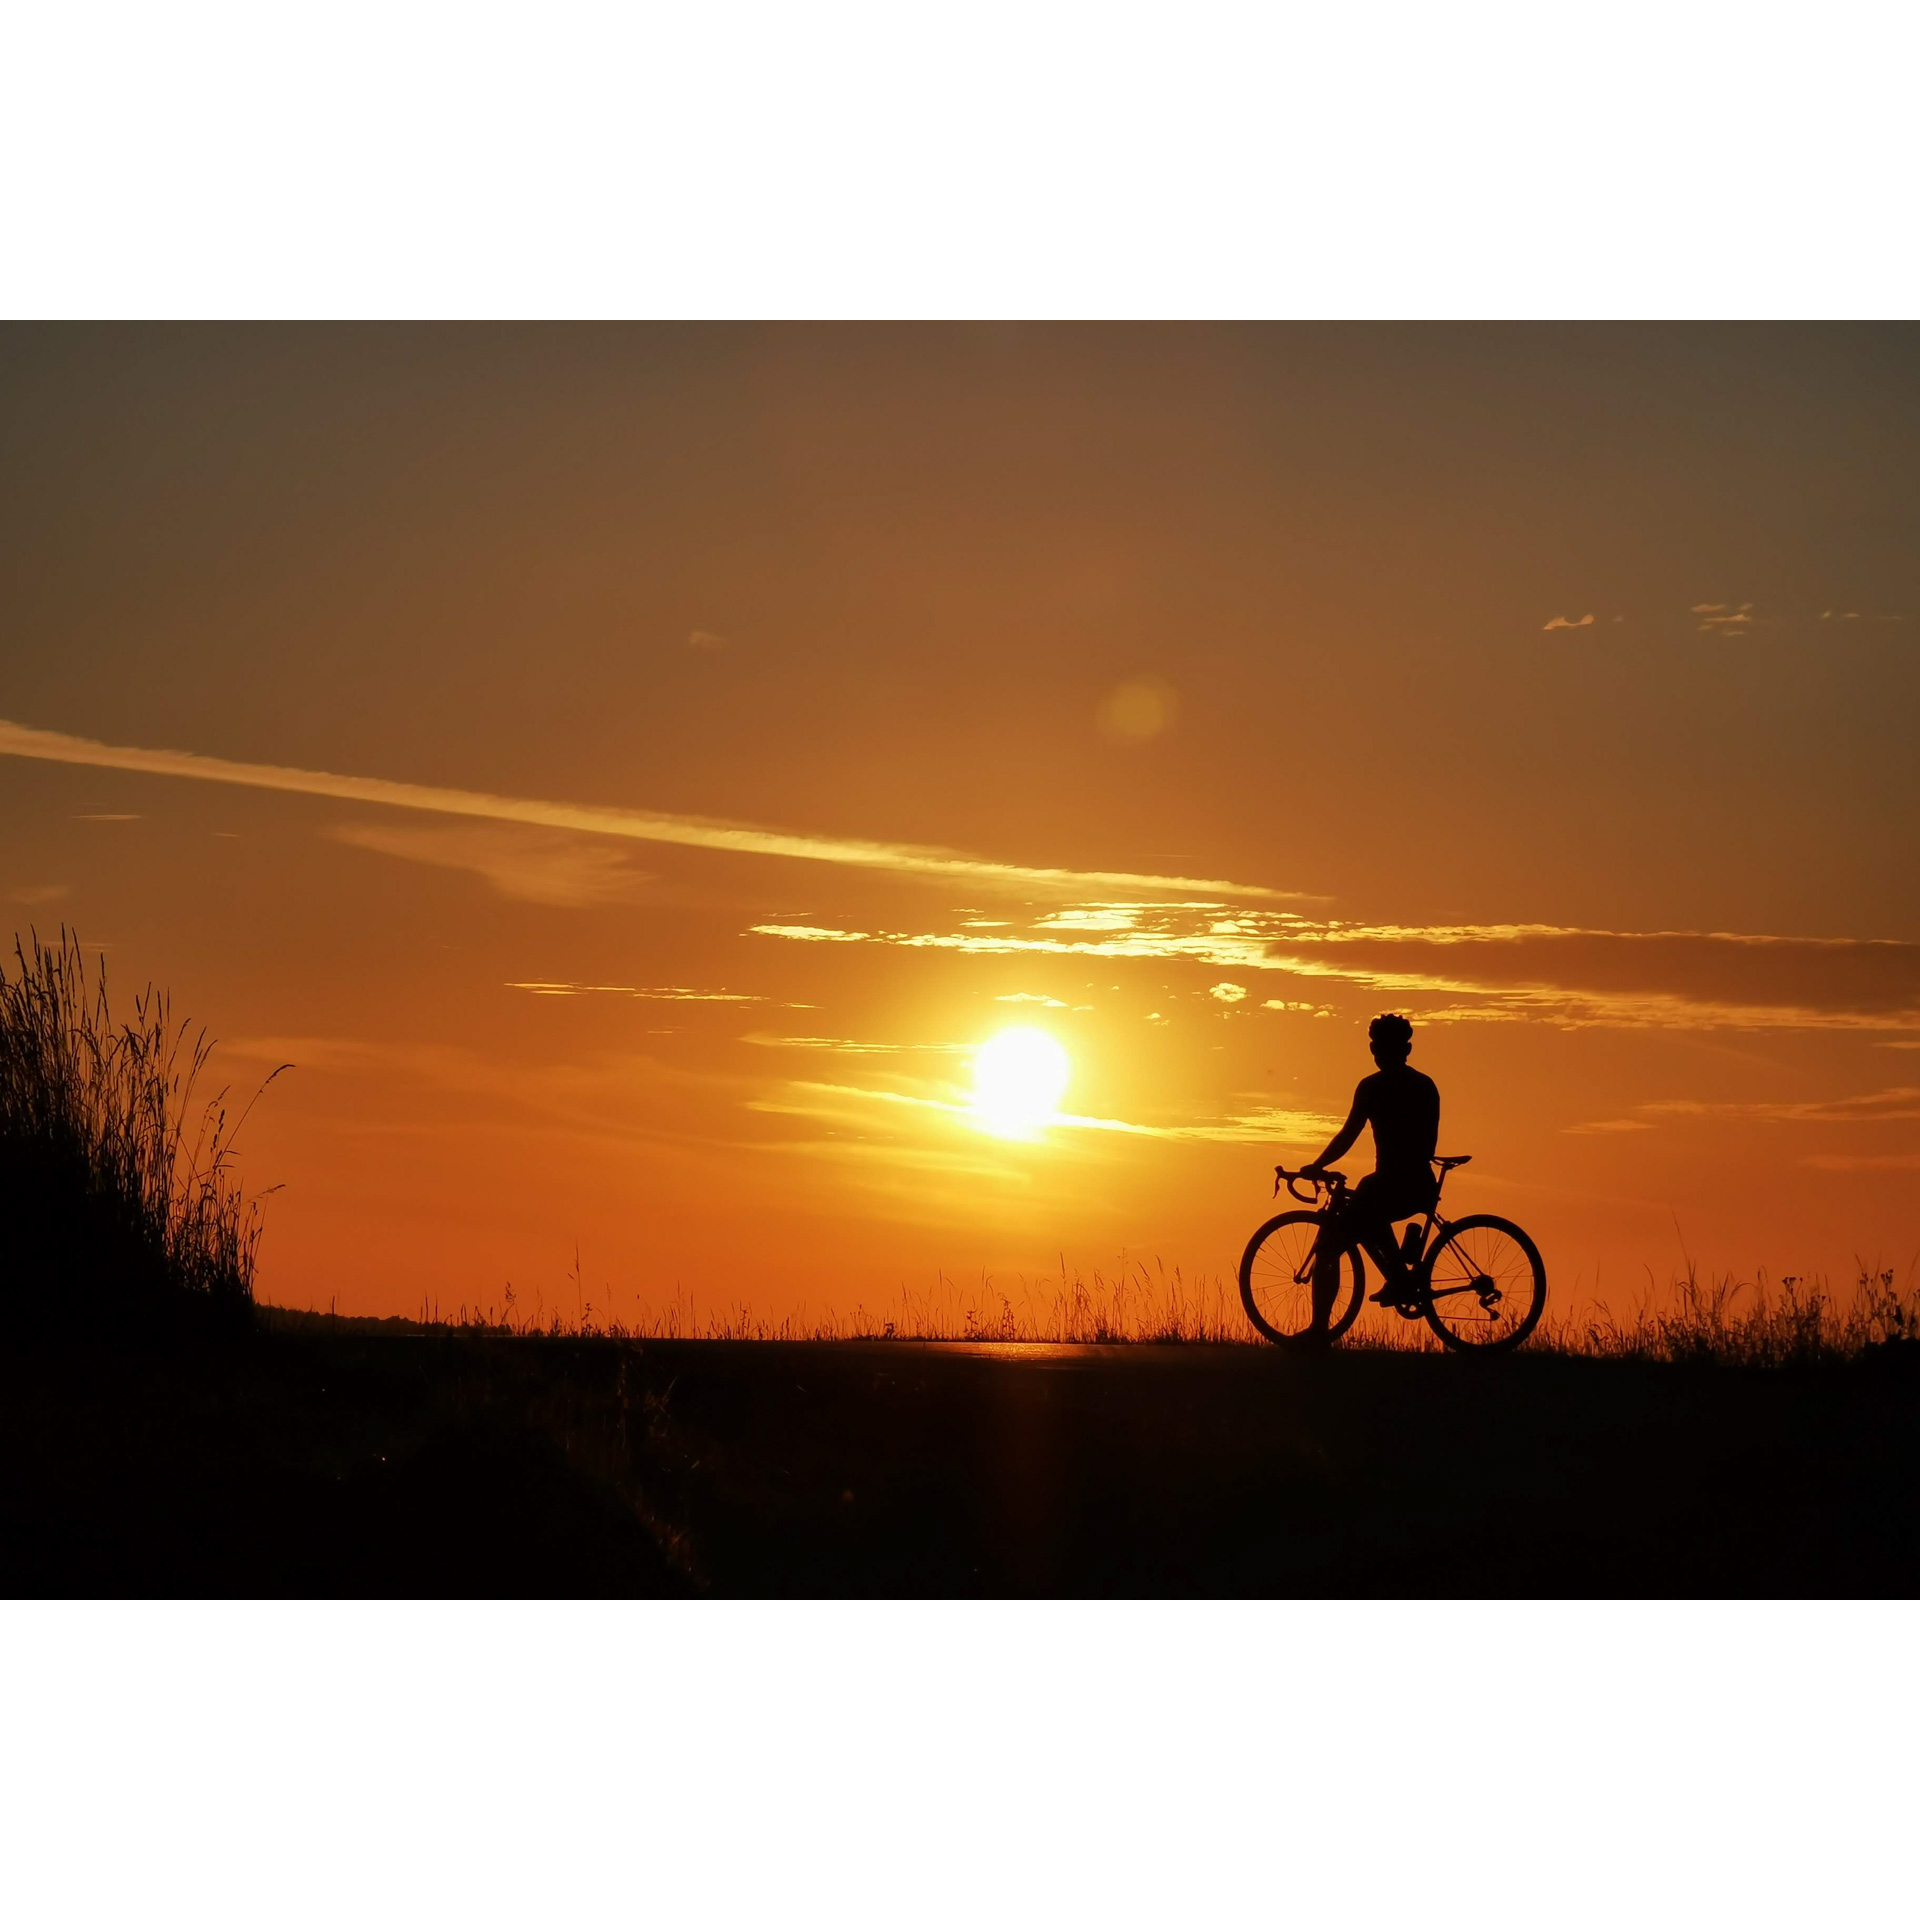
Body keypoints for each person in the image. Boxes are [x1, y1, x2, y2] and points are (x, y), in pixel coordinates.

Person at [1302, 1012, 1439, 1309]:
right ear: (1408, 1050)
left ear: (1376, 1050)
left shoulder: (1372, 1087)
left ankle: (1319, 1330)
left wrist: (1317, 1165)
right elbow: (1428, 1143)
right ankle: (1400, 1276)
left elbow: (1348, 1134)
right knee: (1370, 1213)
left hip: (1391, 1184)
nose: (1377, 1051)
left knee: (1328, 1249)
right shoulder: (1425, 1085)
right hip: (1421, 1184)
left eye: (1378, 1045)